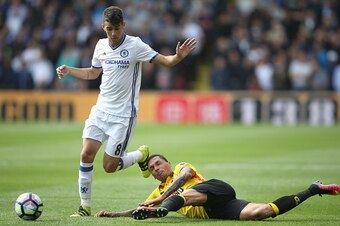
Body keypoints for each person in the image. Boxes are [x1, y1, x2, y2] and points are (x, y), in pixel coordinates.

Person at [56, 6, 196, 217]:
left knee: (109, 166)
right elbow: (93, 73)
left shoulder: (135, 45)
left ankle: (141, 154)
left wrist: (178, 57)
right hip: (100, 111)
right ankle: (84, 206)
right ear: (104, 27)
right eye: (109, 29)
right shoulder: (101, 45)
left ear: (124, 26)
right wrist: (69, 70)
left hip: (123, 115)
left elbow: (165, 61)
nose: (113, 34)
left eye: (117, 29)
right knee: (86, 154)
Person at [95, 154, 340, 221]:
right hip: (217, 210)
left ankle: (165, 211)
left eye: (159, 163)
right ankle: (313, 189)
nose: (157, 168)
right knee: (262, 213)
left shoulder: (180, 167)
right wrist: (113, 214)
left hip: (215, 190)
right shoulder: (157, 192)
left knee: (184, 194)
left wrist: (161, 202)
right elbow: (139, 208)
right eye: (153, 167)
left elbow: (186, 177)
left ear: (168, 163)